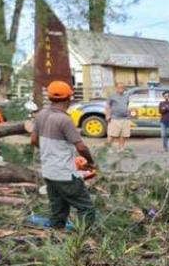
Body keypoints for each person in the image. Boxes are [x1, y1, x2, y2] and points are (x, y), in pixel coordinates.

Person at [30, 81, 97, 229]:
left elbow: (33, 140)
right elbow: (81, 146)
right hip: (65, 173)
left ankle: (56, 236)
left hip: (48, 171)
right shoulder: (65, 120)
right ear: (69, 98)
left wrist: (50, 152)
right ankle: (83, 240)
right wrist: (91, 162)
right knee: (86, 208)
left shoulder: (41, 115)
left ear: (50, 97)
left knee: (58, 210)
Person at [105, 83, 133, 152]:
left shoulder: (126, 96)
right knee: (112, 135)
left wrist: (129, 114)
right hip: (115, 118)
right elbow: (108, 106)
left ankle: (121, 148)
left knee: (123, 135)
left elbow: (127, 105)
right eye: (119, 87)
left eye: (123, 87)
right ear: (116, 88)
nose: (121, 89)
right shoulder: (112, 96)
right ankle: (108, 148)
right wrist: (107, 115)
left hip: (125, 118)